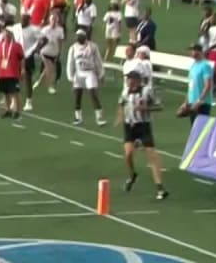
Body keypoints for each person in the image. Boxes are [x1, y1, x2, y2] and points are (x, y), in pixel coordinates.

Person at [118, 70, 168, 201]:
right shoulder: (125, 91)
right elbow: (121, 103)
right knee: (128, 154)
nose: (128, 81)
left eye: (130, 79)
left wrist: (146, 109)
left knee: (152, 155)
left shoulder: (147, 91)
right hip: (129, 126)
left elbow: (160, 106)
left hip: (143, 125)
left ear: (137, 80)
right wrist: (120, 117)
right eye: (128, 79)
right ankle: (132, 174)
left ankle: (160, 187)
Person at [66, 30, 106, 126]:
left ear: (84, 37)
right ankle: (78, 117)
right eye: (77, 36)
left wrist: (101, 74)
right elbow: (70, 63)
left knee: (93, 93)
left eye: (80, 36)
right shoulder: (73, 48)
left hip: (89, 72)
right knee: (77, 95)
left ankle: (99, 117)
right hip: (79, 73)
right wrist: (71, 77)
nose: (78, 38)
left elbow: (98, 61)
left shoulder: (92, 47)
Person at [0, 26, 24, 119]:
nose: (6, 35)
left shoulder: (17, 46)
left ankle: (17, 111)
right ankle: (8, 110)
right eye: (4, 33)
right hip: (2, 73)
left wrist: (22, 69)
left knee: (15, 93)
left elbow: (22, 58)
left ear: (11, 35)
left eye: (8, 33)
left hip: (13, 73)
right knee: (5, 93)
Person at [15, 13, 41, 112]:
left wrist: (35, 50)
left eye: (25, 20)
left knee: (27, 79)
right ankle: (14, 99)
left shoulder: (34, 29)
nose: (23, 21)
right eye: (22, 19)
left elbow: (43, 39)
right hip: (16, 55)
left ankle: (28, 101)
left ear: (29, 20)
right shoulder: (16, 27)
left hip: (27, 56)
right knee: (14, 77)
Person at [183, 43, 215, 123]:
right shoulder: (193, 65)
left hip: (202, 103)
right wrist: (186, 102)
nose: (190, 52)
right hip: (192, 102)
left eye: (192, 50)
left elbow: (208, 86)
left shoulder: (205, 66)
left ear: (199, 51)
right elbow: (190, 86)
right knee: (194, 129)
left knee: (201, 129)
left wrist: (199, 101)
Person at [200, 10, 216, 96]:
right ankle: (212, 86)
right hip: (212, 50)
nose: (212, 20)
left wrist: (210, 48)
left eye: (214, 19)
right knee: (211, 69)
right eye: (211, 19)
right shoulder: (210, 28)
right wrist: (206, 22)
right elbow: (203, 33)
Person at [38, 12, 65, 94]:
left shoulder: (60, 30)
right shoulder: (45, 30)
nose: (53, 21)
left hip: (54, 52)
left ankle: (39, 81)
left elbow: (60, 42)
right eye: (52, 19)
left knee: (47, 69)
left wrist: (59, 52)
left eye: (55, 19)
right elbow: (40, 41)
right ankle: (50, 87)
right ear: (49, 20)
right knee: (51, 69)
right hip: (45, 52)